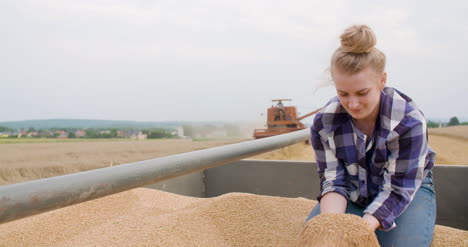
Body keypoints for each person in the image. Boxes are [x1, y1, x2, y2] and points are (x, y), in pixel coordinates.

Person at [306, 25, 436, 247]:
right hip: (354, 190)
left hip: (406, 188)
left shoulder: (408, 122)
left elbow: (398, 188)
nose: (353, 104)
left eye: (362, 93)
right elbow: (334, 181)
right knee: (318, 238)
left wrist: (361, 231)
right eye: (343, 94)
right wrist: (331, 225)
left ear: (381, 80)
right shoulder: (323, 123)